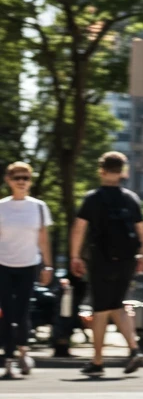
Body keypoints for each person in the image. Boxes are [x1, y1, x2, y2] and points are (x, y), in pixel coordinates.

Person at [70, 152, 143, 377]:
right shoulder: (131, 198)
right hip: (126, 260)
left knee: (101, 310)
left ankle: (97, 361)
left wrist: (75, 256)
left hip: (101, 259)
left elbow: (79, 229)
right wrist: (142, 255)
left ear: (101, 170)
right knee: (117, 305)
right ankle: (134, 349)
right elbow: (142, 231)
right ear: (123, 172)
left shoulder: (92, 198)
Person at [0, 162, 55, 379]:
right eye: (17, 177)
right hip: (3, 265)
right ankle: (9, 361)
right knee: (6, 313)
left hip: (28, 265)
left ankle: (23, 352)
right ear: (8, 180)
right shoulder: (1, 206)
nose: (21, 181)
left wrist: (48, 265)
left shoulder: (39, 207)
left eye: (26, 178)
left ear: (30, 181)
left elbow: (43, 239)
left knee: (22, 313)